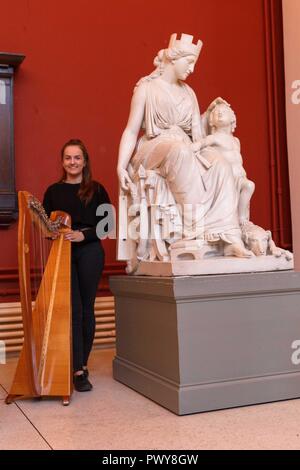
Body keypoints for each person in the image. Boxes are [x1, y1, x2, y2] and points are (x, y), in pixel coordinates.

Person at [117, 33, 252, 262]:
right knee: (179, 150)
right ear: (173, 59)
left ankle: (227, 236)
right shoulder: (147, 88)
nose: (191, 69)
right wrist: (120, 167)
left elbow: (196, 138)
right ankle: (194, 230)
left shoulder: (189, 93)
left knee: (219, 163)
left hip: (185, 147)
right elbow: (131, 130)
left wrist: (212, 153)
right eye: (189, 62)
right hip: (153, 147)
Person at [43, 139, 111, 392]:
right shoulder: (53, 191)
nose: (72, 162)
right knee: (73, 309)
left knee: (86, 308)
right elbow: (47, 223)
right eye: (68, 158)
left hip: (90, 251)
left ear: (84, 161)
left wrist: (84, 235)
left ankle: (81, 366)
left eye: (77, 158)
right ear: (62, 162)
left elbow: (108, 225)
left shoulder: (97, 189)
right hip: (63, 251)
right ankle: (75, 368)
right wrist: (52, 234)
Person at [200, 97, 255, 224]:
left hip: (240, 177)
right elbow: (199, 140)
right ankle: (239, 219)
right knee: (248, 186)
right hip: (225, 180)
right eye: (215, 113)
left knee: (249, 185)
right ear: (211, 121)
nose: (219, 113)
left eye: (223, 111)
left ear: (232, 119)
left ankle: (242, 218)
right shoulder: (213, 138)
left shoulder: (236, 141)